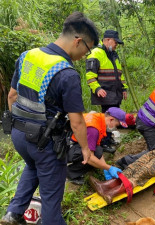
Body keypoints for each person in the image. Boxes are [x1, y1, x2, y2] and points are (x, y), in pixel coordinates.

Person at [1, 12, 98, 225]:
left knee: (33, 167)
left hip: (19, 135)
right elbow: (77, 121)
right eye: (87, 50)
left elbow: (12, 96)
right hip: (45, 142)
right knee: (51, 201)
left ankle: (13, 214)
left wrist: (20, 123)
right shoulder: (67, 73)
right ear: (78, 41)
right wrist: (85, 149)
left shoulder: (27, 56)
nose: (85, 56)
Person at [85, 30, 128, 152]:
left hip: (116, 93)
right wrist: (97, 88)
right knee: (106, 118)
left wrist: (124, 88)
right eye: (115, 42)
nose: (116, 45)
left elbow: (120, 74)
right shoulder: (96, 54)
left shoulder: (114, 54)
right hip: (105, 93)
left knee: (114, 118)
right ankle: (103, 142)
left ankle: (109, 138)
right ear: (108, 40)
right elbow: (90, 75)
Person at [67, 107, 127, 185]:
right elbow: (89, 157)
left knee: (98, 150)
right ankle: (70, 173)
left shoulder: (98, 118)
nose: (115, 128)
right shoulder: (93, 129)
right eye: (116, 125)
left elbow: (96, 147)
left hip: (74, 144)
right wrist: (108, 168)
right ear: (111, 119)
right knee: (89, 156)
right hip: (68, 148)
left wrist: (104, 167)